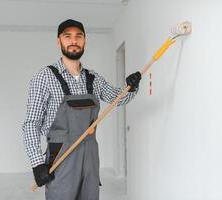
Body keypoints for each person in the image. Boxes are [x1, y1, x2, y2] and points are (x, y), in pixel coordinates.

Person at [22, 19, 141, 200]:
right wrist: (37, 163)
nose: (73, 41)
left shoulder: (93, 78)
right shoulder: (44, 77)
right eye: (67, 36)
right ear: (59, 41)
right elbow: (31, 124)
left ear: (85, 40)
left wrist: (131, 87)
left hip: (90, 155)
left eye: (79, 36)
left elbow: (117, 98)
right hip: (61, 156)